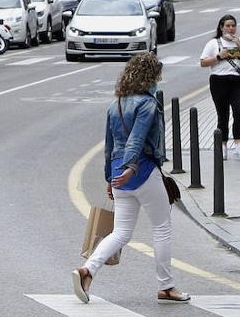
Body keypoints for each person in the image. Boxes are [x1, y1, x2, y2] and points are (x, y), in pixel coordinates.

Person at [72, 53, 188, 305]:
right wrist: (131, 167)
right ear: (150, 77)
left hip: (118, 173)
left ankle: (87, 270)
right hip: (141, 170)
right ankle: (166, 286)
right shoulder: (147, 104)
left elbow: (109, 144)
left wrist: (110, 176)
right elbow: (136, 138)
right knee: (162, 227)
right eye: (157, 76)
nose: (159, 80)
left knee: (121, 231)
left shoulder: (116, 105)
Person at [199, 14, 240, 160]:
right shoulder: (213, 43)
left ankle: (238, 145)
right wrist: (218, 56)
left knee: (239, 112)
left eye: (233, 26)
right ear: (221, 27)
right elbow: (203, 62)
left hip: (237, 81)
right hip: (219, 81)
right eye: (227, 26)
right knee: (222, 114)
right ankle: (223, 146)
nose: (230, 29)